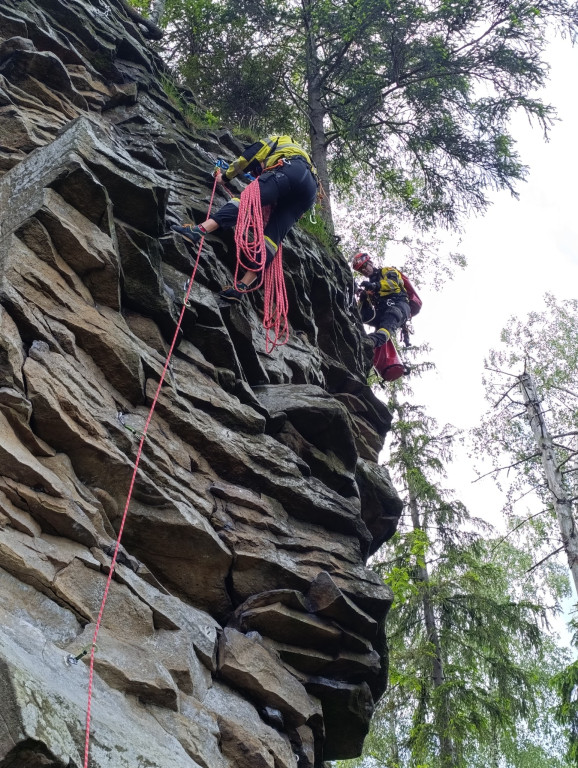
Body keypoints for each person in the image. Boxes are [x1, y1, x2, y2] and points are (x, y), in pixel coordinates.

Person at [171, 135, 318, 302]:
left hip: (290, 170)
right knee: (272, 239)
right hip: (309, 192)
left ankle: (197, 231)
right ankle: (241, 288)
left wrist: (224, 177)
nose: (258, 174)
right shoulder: (300, 154)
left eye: (258, 172)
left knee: (246, 200)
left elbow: (248, 157)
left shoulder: (278, 139)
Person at [352, 252, 421, 347]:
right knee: (363, 315)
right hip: (383, 310)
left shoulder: (387, 270)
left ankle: (373, 341)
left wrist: (375, 285)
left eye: (364, 266)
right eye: (360, 269)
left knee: (391, 316)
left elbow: (393, 283)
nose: (364, 270)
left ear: (370, 263)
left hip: (400, 305)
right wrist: (363, 297)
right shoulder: (370, 286)